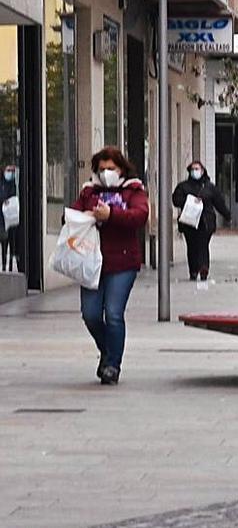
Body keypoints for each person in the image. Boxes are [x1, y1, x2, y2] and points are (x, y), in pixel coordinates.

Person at [69, 147, 149, 386]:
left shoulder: (133, 190)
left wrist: (111, 215)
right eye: (102, 169)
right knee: (91, 314)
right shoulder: (89, 192)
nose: (106, 173)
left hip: (122, 262)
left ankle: (113, 365)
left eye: (111, 169)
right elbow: (70, 216)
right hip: (91, 262)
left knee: (114, 314)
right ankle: (108, 350)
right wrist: (84, 215)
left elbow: (140, 215)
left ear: (121, 169)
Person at [171, 161, 232, 281]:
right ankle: (193, 270)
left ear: (203, 171)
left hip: (206, 221)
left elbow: (219, 202)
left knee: (203, 245)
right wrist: (189, 201)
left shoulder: (209, 187)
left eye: (197, 169)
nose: (195, 171)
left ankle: (204, 268)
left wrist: (227, 215)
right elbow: (176, 200)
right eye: (193, 169)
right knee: (192, 246)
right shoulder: (183, 186)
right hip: (189, 221)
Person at [0, 164, 19, 271]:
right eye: (8, 170)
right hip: (3, 220)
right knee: (4, 243)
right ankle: (3, 265)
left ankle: (11, 265)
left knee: (13, 244)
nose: (10, 173)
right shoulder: (2, 183)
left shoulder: (14, 184)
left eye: (12, 171)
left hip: (13, 220)